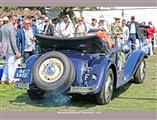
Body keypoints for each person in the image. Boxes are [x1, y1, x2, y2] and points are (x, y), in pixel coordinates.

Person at [0, 14, 20, 85]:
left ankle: (3, 79)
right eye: (15, 20)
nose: (16, 21)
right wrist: (16, 51)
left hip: (4, 49)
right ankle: (11, 80)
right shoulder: (11, 27)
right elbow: (13, 41)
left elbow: (1, 39)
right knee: (10, 65)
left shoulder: (2, 27)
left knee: (6, 64)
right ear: (11, 19)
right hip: (10, 49)